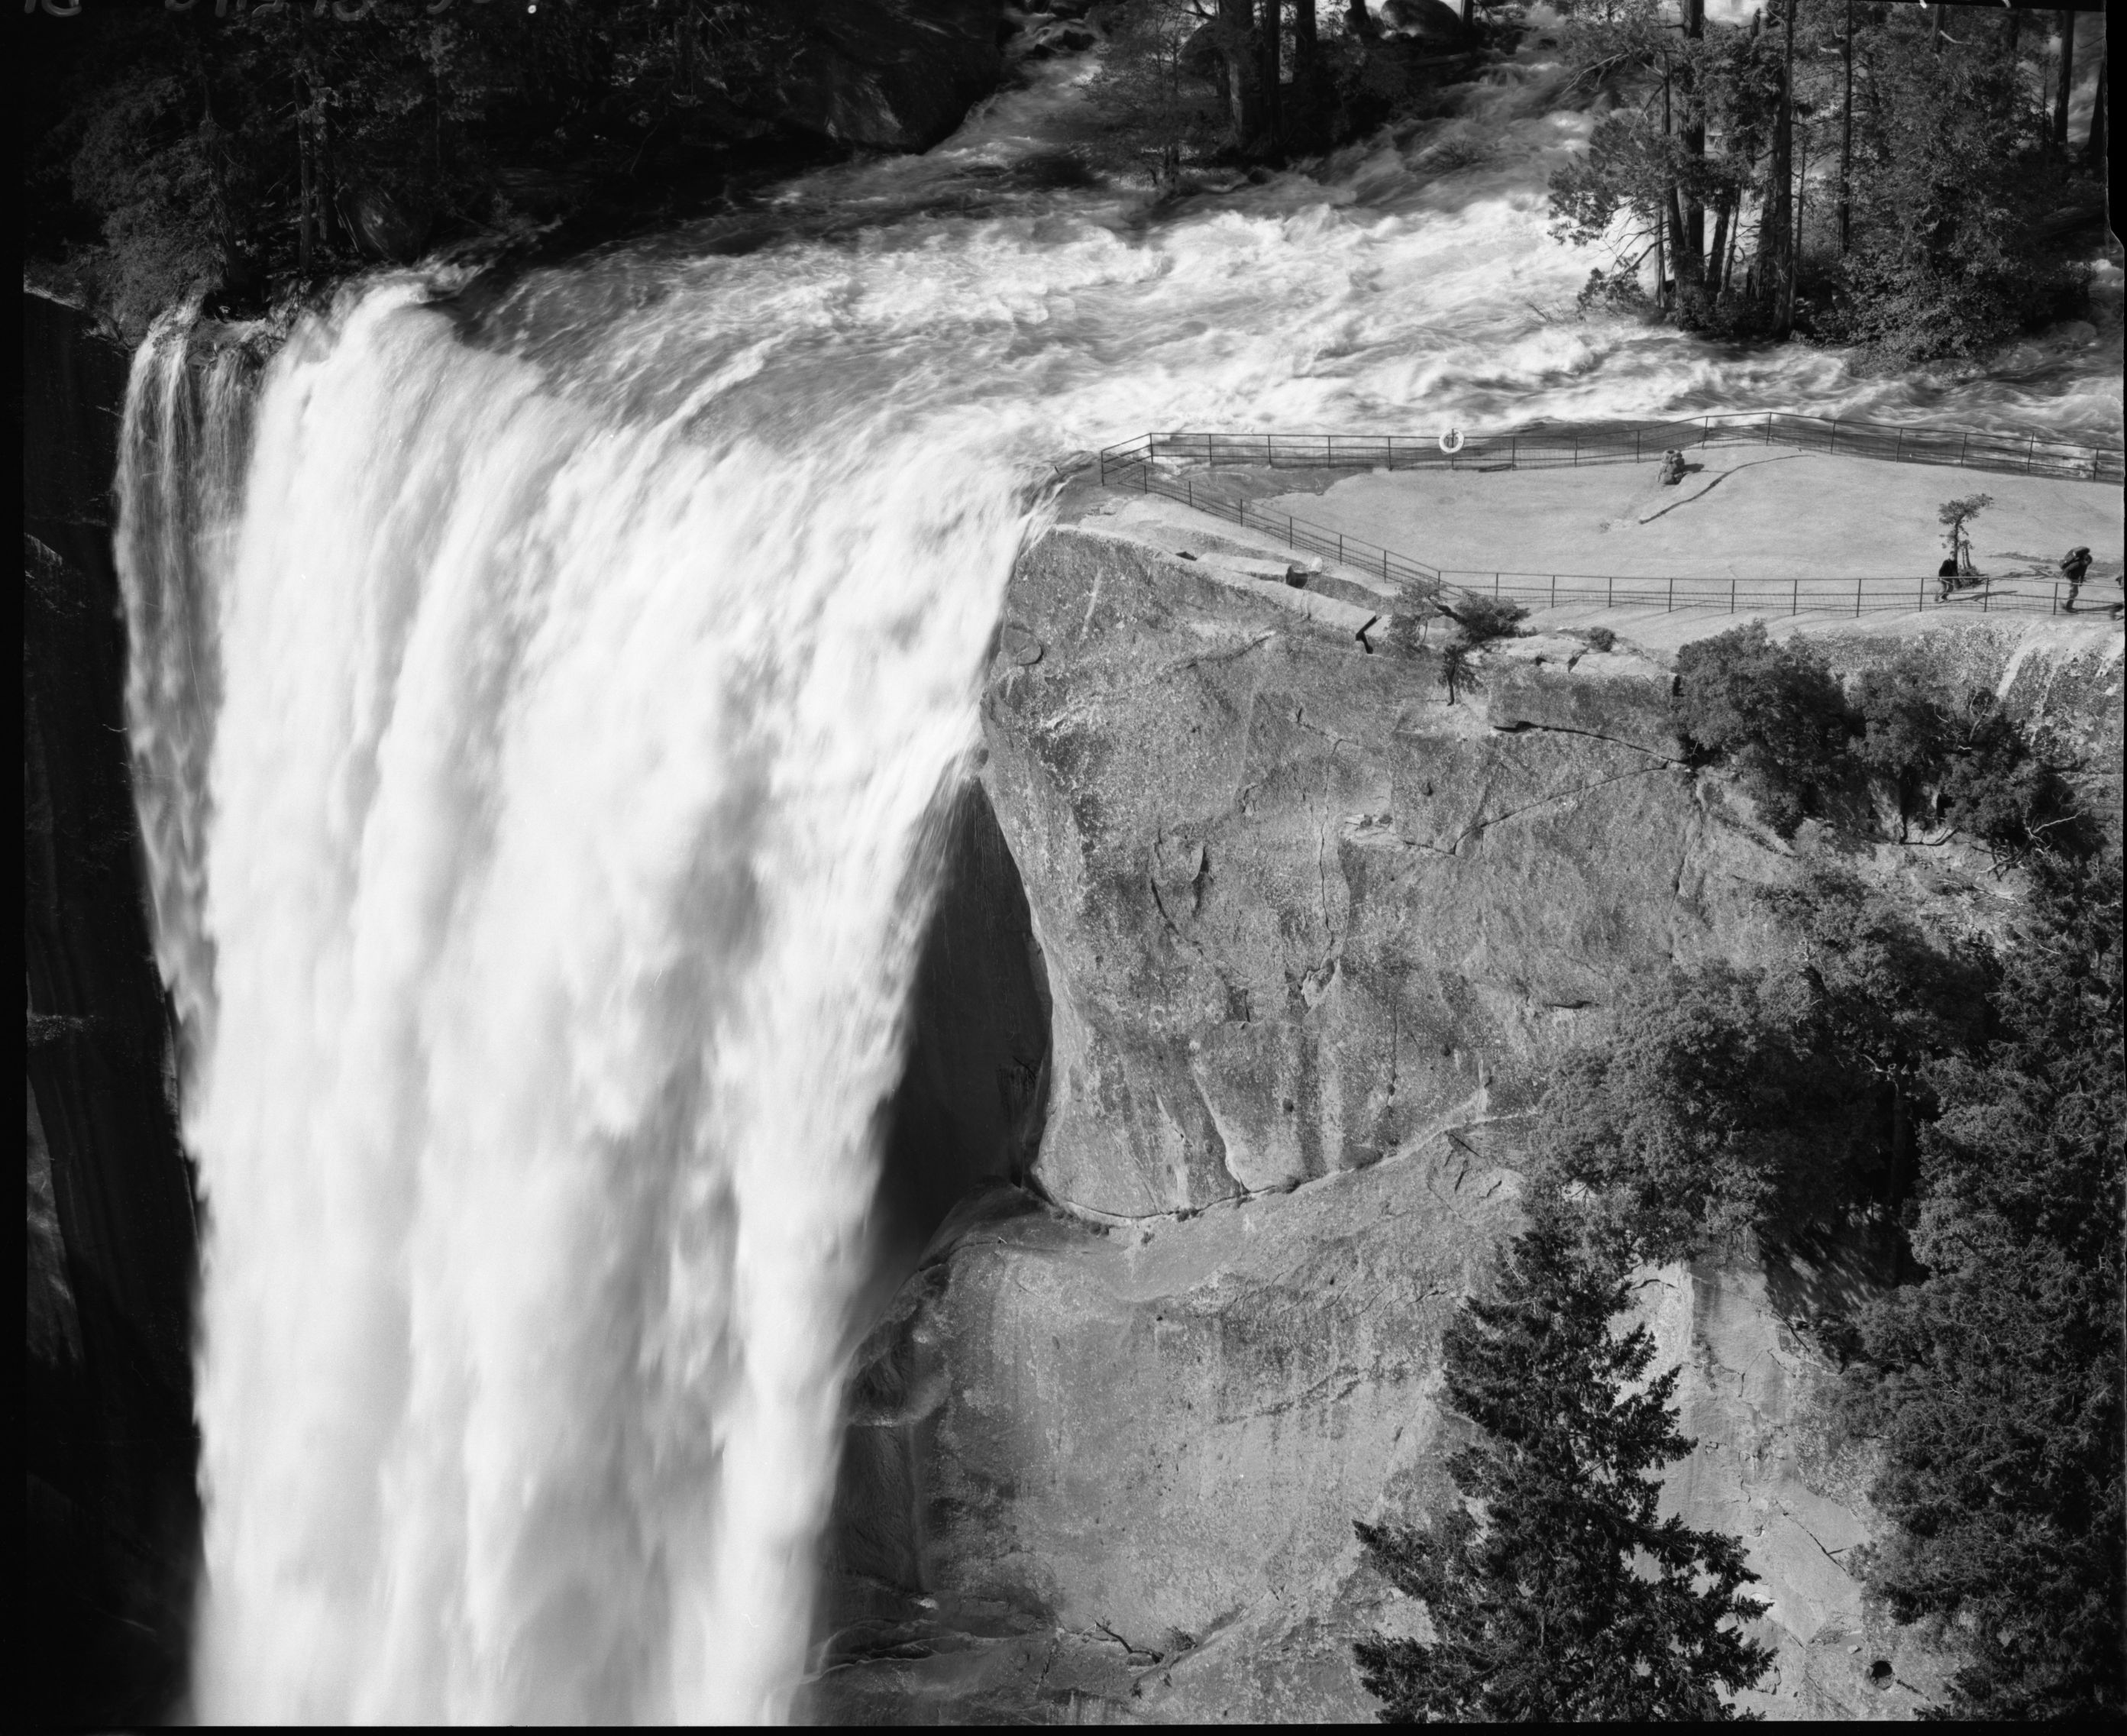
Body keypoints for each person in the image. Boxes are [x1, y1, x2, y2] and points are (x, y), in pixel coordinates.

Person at [2059, 545, 2093, 613]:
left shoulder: (2085, 565)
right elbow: (2067, 569)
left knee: (2074, 593)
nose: (2088, 564)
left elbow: (2083, 572)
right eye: (2088, 562)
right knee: (2074, 593)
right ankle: (2067, 606)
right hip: (2072, 578)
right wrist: (2063, 575)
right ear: (2084, 560)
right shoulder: (2077, 563)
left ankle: (2065, 603)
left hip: (2076, 579)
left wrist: (2081, 581)